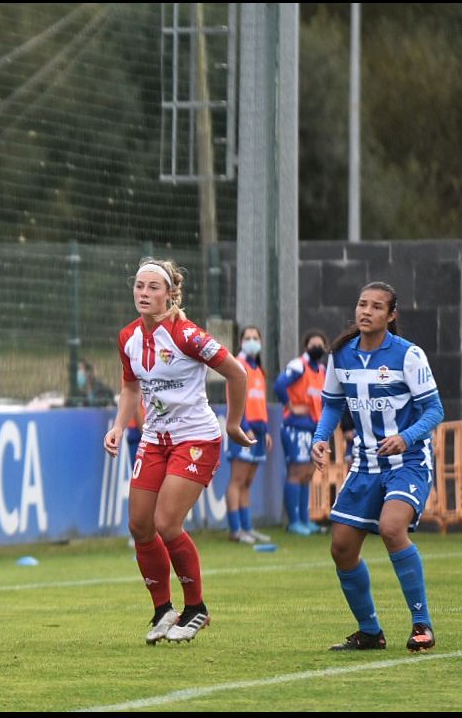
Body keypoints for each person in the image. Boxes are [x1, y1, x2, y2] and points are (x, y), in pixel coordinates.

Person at [103, 258, 254, 645]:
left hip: (196, 439)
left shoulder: (187, 334)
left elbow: (237, 373)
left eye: (154, 287)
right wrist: (119, 426)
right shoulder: (128, 338)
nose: (144, 293)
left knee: (167, 523)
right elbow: (131, 387)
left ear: (171, 294)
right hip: (155, 439)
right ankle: (163, 610)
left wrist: (233, 423)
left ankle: (196, 608)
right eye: (139, 286)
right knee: (139, 524)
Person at [311, 281, 443, 653]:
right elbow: (333, 406)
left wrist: (407, 436)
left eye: (376, 307)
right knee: (341, 548)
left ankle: (422, 624)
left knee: (391, 527)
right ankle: (370, 632)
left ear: (391, 315)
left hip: (409, 461)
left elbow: (435, 409)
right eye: (361, 304)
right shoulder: (340, 354)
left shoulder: (408, 355)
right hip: (365, 463)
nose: (365, 311)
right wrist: (320, 439)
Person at [275, 328, 330, 535]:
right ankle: (294, 521)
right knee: (296, 472)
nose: (317, 347)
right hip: (295, 426)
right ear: (306, 346)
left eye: (320, 344)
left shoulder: (322, 371)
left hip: (313, 428)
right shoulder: (298, 365)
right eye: (313, 344)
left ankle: (305, 519)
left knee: (307, 473)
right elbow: (280, 385)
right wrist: (290, 405)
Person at [224, 325, 273, 544]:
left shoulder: (258, 369)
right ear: (241, 341)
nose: (252, 340)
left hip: (259, 431)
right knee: (237, 480)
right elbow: (234, 399)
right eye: (247, 337)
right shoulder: (238, 365)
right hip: (244, 429)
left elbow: (259, 402)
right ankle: (236, 530)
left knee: (247, 482)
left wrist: (267, 430)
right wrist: (242, 424)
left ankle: (247, 527)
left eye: (255, 337)